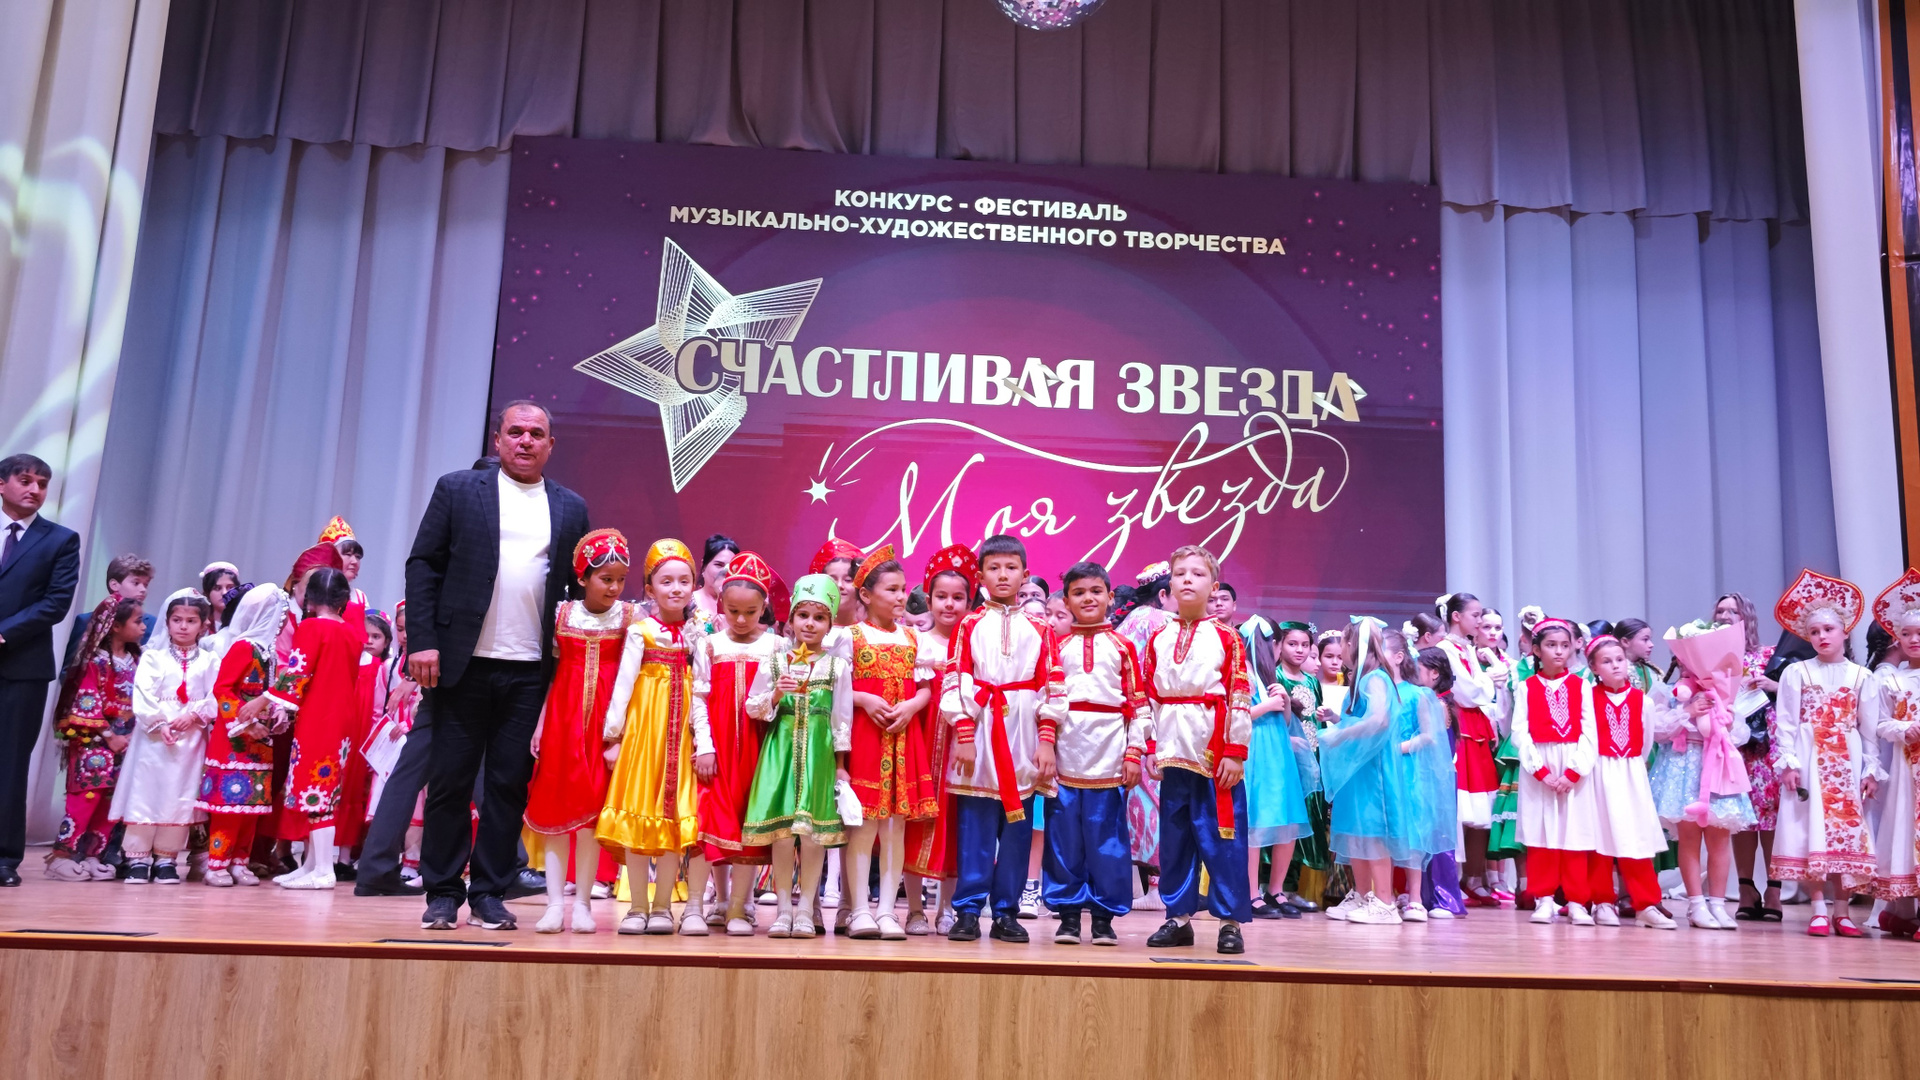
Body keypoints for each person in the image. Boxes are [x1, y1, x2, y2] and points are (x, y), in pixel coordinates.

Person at [406, 401, 592, 931]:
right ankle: (443, 892)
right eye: (516, 432)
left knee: (509, 785)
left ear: (550, 445)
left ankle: (489, 891)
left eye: (536, 433)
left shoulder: (571, 506)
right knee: (450, 781)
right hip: (460, 662)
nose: (525, 441)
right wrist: (423, 641)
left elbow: (577, 589)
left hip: (530, 669)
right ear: (498, 439)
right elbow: (423, 564)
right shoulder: (458, 489)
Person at [943, 534, 1065, 943]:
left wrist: (1046, 740)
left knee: (1017, 831)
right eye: (993, 568)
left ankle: (1007, 912)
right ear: (980, 576)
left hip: (1023, 734)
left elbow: (1052, 685)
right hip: (979, 731)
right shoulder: (969, 624)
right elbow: (956, 679)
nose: (1002, 575)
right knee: (975, 830)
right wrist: (964, 734)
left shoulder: (1041, 627)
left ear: (1025, 574)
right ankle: (967, 910)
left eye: (1011, 567)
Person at [522, 529, 634, 933]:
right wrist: (541, 723)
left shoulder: (629, 618)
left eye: (621, 579)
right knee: (558, 812)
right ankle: (555, 903)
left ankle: (583, 903)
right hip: (563, 722)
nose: (615, 587)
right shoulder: (562, 615)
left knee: (590, 818)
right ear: (584, 577)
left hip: (605, 726)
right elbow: (553, 676)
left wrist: (620, 734)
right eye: (606, 578)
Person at [1142, 545, 1253, 954]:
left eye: (1198, 573)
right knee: (1175, 840)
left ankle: (1229, 922)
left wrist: (1234, 750)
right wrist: (1149, 746)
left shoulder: (1226, 637)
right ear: (1169, 584)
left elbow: (1239, 694)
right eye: (1180, 573)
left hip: (1213, 753)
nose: (1188, 579)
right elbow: (1148, 697)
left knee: (1222, 839)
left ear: (1214, 586)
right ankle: (1178, 917)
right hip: (1173, 753)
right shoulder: (1158, 638)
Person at [599, 539, 703, 935]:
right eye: (666, 581)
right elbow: (624, 686)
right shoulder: (640, 632)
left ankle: (663, 907)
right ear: (649, 588)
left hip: (684, 734)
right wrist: (614, 737)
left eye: (684, 581)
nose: (676, 589)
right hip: (645, 735)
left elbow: (705, 686)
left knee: (676, 818)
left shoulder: (699, 633)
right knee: (638, 812)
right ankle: (637, 906)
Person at [741, 573, 853, 939]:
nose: (810, 624)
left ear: (829, 624)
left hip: (819, 756)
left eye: (819, 618)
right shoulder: (775, 662)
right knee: (783, 834)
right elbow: (753, 707)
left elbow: (841, 719)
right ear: (790, 619)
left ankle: (806, 908)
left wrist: (840, 766)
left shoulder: (836, 667)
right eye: (803, 615)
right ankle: (783, 910)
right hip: (781, 752)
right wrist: (776, 694)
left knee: (813, 834)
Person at [1044, 561, 1145, 945]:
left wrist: (1134, 752)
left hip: (1109, 754)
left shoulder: (1123, 647)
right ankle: (1068, 915)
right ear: (1067, 601)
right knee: (1064, 840)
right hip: (1065, 756)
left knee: (1108, 843)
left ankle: (1104, 917)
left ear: (1110, 597)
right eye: (1079, 592)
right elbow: (1046, 701)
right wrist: (1047, 745)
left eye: (1095, 591)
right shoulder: (1057, 647)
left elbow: (1138, 704)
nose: (1088, 598)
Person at [1771, 570, 1876, 937]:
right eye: (1814, 632)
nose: (1821, 637)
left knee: (1845, 831)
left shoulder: (1861, 676)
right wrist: (1788, 762)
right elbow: (1786, 722)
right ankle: (1818, 908)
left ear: (1844, 632)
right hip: (1809, 756)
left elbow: (1868, 729)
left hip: (1847, 759)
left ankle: (1842, 912)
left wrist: (1871, 769)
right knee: (1810, 829)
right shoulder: (1796, 673)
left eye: (1828, 629)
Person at [842, 546, 939, 941]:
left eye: (903, 589)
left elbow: (926, 688)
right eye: (892, 590)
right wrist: (864, 699)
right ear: (866, 595)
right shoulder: (849, 637)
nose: (901, 597)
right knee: (864, 827)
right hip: (865, 739)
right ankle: (859, 909)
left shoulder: (914, 638)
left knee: (895, 828)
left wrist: (912, 706)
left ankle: (886, 911)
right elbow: (833, 689)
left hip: (903, 741)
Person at [688, 551, 786, 936]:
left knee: (748, 822)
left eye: (750, 612)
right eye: (733, 611)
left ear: (764, 607)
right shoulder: (711, 645)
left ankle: (738, 908)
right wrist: (705, 746)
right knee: (708, 819)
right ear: (721, 605)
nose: (742, 620)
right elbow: (699, 698)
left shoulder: (775, 646)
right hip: (718, 748)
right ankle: (699, 904)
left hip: (759, 747)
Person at [0, 453, 81, 887]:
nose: (35, 489)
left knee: (10, 764)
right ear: (2, 484)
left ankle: (4, 859)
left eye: (43, 483)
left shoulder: (60, 540)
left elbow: (55, 602)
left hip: (22, 668)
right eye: (26, 480)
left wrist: (3, 634)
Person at [261, 567, 365, 890]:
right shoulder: (352, 634)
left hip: (319, 717)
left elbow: (296, 674)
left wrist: (265, 700)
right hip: (342, 718)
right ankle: (311, 865)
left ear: (310, 597)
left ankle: (323, 870)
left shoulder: (310, 627)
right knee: (323, 791)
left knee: (317, 791)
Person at [108, 590, 217, 884]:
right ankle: (137, 858)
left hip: (191, 737)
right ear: (167, 622)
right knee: (146, 792)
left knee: (180, 795)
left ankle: (166, 858)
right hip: (153, 738)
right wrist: (160, 724)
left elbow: (215, 695)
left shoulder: (210, 660)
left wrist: (193, 715)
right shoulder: (152, 657)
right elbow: (143, 694)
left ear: (203, 625)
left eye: (191, 621)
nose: (183, 626)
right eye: (177, 620)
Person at [1508, 618, 1600, 926]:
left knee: (1574, 834)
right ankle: (1544, 898)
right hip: (1541, 766)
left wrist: (1574, 772)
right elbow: (1520, 732)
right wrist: (1541, 771)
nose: (1559, 651)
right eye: (1551, 645)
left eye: (1564, 645)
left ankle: (1576, 901)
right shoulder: (1526, 687)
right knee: (1541, 834)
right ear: (1537, 650)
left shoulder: (1582, 685)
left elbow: (1590, 731)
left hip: (1573, 765)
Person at [1583, 635, 1678, 929]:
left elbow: (1646, 744)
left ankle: (1645, 904)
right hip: (1598, 773)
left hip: (1630, 774)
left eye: (1619, 660)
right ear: (1594, 668)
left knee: (1635, 839)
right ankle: (1602, 901)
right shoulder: (1588, 698)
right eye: (1606, 661)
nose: (1615, 666)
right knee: (1600, 839)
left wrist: (1631, 768)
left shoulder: (1643, 701)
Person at [44, 597, 142, 881]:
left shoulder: (137, 660)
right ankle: (61, 858)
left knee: (110, 801)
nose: (143, 627)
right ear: (116, 626)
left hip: (126, 744)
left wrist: (132, 734)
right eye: (137, 621)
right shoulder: (94, 663)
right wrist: (110, 736)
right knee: (86, 799)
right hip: (93, 742)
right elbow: (86, 703)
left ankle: (92, 856)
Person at [905, 543, 975, 935]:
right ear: (928, 599)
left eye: (958, 597)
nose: (949, 605)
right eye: (941, 596)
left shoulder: (975, 644)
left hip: (962, 747)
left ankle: (948, 906)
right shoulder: (915, 642)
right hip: (922, 742)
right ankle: (915, 909)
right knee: (917, 821)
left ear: (970, 601)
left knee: (957, 824)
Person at [198, 585, 289, 886]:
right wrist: (246, 724)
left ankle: (240, 861)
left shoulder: (268, 653)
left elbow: (269, 693)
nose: (283, 621)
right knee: (229, 806)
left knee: (251, 806)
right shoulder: (243, 647)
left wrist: (277, 713)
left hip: (261, 740)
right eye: (280, 615)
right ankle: (216, 865)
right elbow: (223, 689)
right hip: (234, 739)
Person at [1320, 619, 1407, 925]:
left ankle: (1384, 903)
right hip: (1357, 768)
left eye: (1343, 641)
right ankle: (1362, 895)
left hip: (1372, 769)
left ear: (1352, 645)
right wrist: (1338, 722)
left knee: (1374, 830)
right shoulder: (1362, 679)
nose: (1341, 648)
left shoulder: (1375, 678)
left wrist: (1341, 734)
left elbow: (1379, 720)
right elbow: (1361, 718)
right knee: (1357, 831)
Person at [1434, 593, 1506, 907]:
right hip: (1459, 727)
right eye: (1475, 615)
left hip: (1475, 727)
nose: (1479, 621)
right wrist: (1489, 680)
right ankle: (1452, 878)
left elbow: (1482, 692)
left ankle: (1473, 879)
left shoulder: (1468, 649)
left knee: (1481, 809)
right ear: (1456, 616)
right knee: (1460, 806)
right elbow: (1468, 691)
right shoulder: (1445, 649)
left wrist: (1485, 684)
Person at [1240, 615, 1312, 920]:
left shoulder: (1270, 677)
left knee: (1286, 819)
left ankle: (1276, 889)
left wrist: (1282, 703)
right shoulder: (1242, 673)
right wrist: (1267, 706)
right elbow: (1235, 715)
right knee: (1255, 822)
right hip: (1254, 751)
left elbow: (1283, 721)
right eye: (1279, 643)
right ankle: (1250, 893)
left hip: (1277, 751)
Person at [1869, 570, 1920, 923]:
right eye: (1907, 634)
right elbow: (1879, 723)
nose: (1914, 639)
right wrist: (1904, 728)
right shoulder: (1892, 680)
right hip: (1907, 770)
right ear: (1897, 638)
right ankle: (1902, 909)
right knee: (1906, 829)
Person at [63, 554, 155, 671]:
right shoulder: (87, 621)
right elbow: (69, 669)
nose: (143, 590)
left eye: (146, 585)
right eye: (136, 583)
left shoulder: (151, 624)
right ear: (114, 585)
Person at [690, 534, 739, 621]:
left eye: (731, 566)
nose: (725, 571)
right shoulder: (688, 603)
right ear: (703, 566)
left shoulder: (741, 605)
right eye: (719, 565)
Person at [200, 562, 240, 631]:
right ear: (207, 592)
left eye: (230, 588)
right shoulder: (200, 625)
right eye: (217, 588)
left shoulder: (246, 622)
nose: (224, 593)